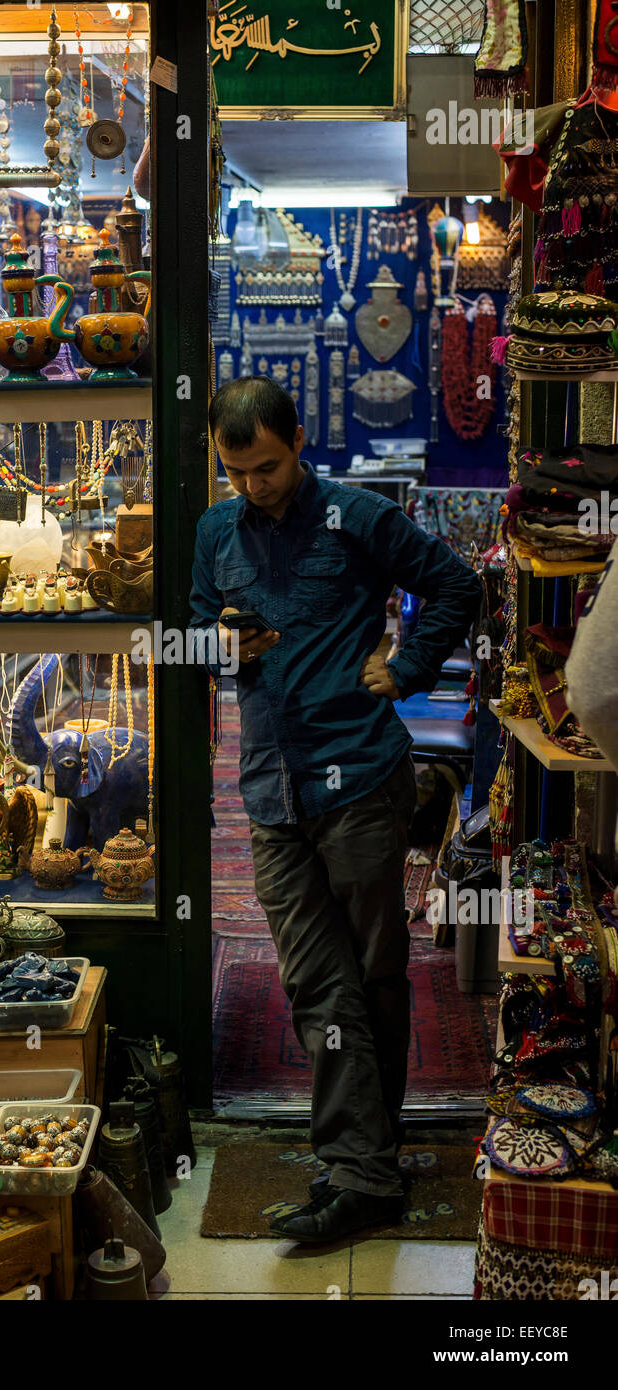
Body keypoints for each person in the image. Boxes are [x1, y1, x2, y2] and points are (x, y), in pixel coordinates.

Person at [189, 377, 482, 1245]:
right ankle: (361, 1167)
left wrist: (408, 666)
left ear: (299, 440)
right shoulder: (215, 531)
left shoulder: (355, 517)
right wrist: (219, 642)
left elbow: (455, 584)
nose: (251, 488)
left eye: (266, 468)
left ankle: (365, 1161)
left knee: (373, 976)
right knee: (316, 979)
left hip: (357, 780)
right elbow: (196, 631)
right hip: (271, 788)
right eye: (234, 472)